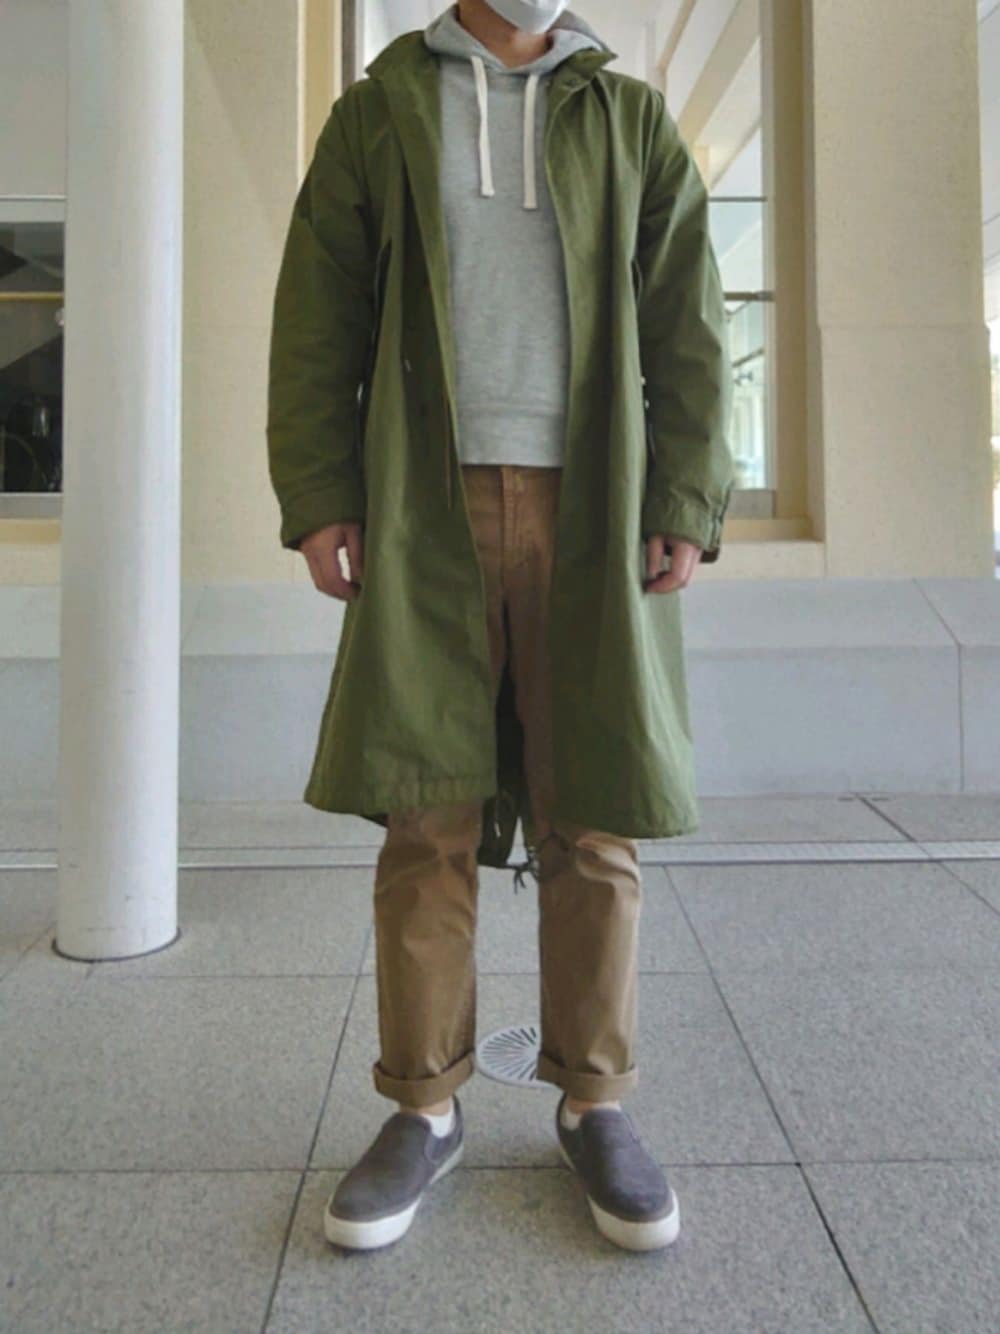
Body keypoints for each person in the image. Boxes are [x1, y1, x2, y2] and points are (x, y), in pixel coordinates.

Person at [266, 0, 735, 1253]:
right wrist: (318, 491)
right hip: (424, 498)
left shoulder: (629, 120)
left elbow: (689, 318)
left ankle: (595, 1099)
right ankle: (423, 1104)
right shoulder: (382, 112)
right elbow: (317, 313)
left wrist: (686, 494)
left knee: (595, 805)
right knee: (425, 808)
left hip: (597, 499)